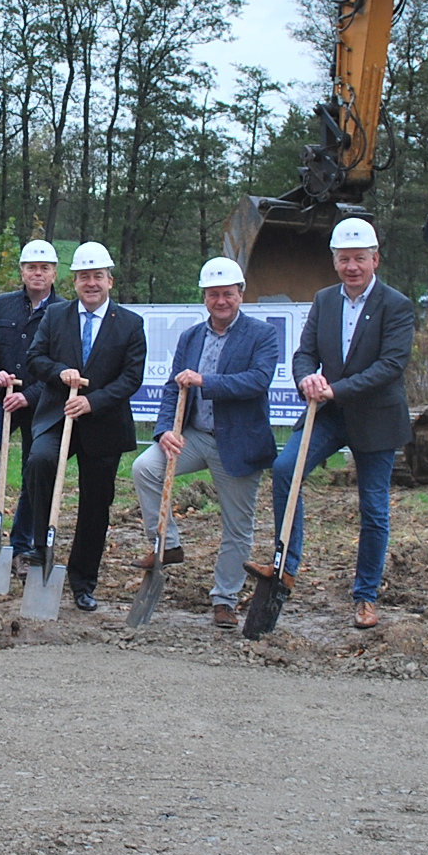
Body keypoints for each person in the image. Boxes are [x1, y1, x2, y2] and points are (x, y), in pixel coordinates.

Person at [250, 218, 414, 630]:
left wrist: (335, 389)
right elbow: (304, 353)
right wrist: (307, 377)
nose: (351, 267)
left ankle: (366, 596)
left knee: (373, 507)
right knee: (286, 470)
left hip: (375, 418)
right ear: (335, 261)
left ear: (375, 259)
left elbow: (390, 366)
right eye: (344, 259)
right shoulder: (324, 301)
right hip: (326, 414)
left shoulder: (396, 305)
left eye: (359, 258)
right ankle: (285, 566)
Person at [129, 256, 279, 629]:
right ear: (204, 297)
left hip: (239, 443)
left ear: (241, 294)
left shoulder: (262, 334)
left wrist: (205, 381)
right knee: (145, 468)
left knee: (237, 526)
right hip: (194, 436)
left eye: (227, 294)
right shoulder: (191, 337)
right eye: (213, 294)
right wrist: (165, 430)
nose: (221, 301)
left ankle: (225, 599)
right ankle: (167, 545)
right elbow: (172, 388)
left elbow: (258, 380)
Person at [22, 241, 147, 613]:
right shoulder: (55, 315)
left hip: (104, 423)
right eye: (84, 277)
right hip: (58, 415)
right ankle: (42, 545)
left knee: (96, 503)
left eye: (98, 277)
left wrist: (93, 402)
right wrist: (60, 372)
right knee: (39, 462)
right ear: (74, 281)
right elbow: (35, 358)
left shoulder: (130, 324)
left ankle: (83, 580)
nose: (91, 283)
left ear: (110, 281)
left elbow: (131, 378)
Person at [0, 239, 64, 564]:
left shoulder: (63, 312)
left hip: (42, 404)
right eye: (31, 268)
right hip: (2, 398)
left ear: (54, 273)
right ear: (22, 272)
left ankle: (22, 545)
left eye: (44, 268)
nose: (38, 273)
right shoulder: (2, 305)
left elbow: (63, 364)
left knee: (32, 470)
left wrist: (29, 395)